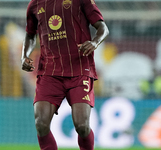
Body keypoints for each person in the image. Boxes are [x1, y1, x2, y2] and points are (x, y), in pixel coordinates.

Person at [21, 0, 109, 149]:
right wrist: (24, 56)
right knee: (41, 123)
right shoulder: (35, 4)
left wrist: (95, 42)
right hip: (50, 72)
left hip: (80, 69)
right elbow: (30, 35)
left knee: (82, 125)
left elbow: (103, 28)